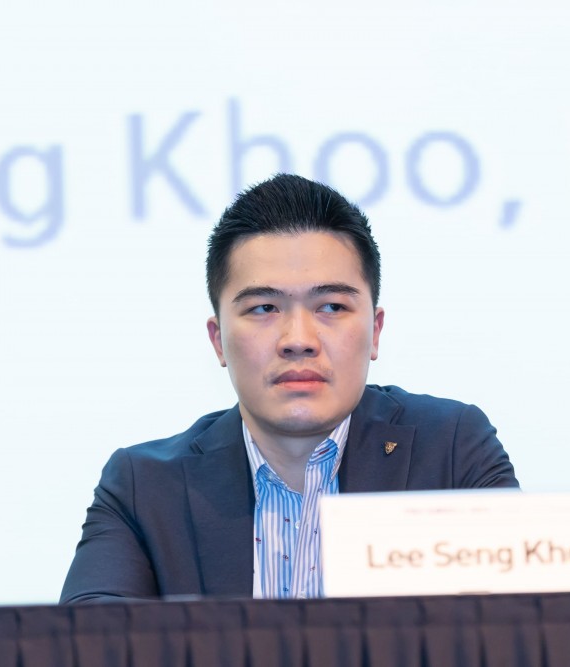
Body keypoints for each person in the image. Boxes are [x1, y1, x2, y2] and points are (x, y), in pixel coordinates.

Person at [60, 174, 518, 603]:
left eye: (331, 306)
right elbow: (89, 646)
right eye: (264, 308)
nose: (298, 340)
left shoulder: (453, 451)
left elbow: (522, 628)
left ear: (375, 331)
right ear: (218, 340)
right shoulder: (143, 489)